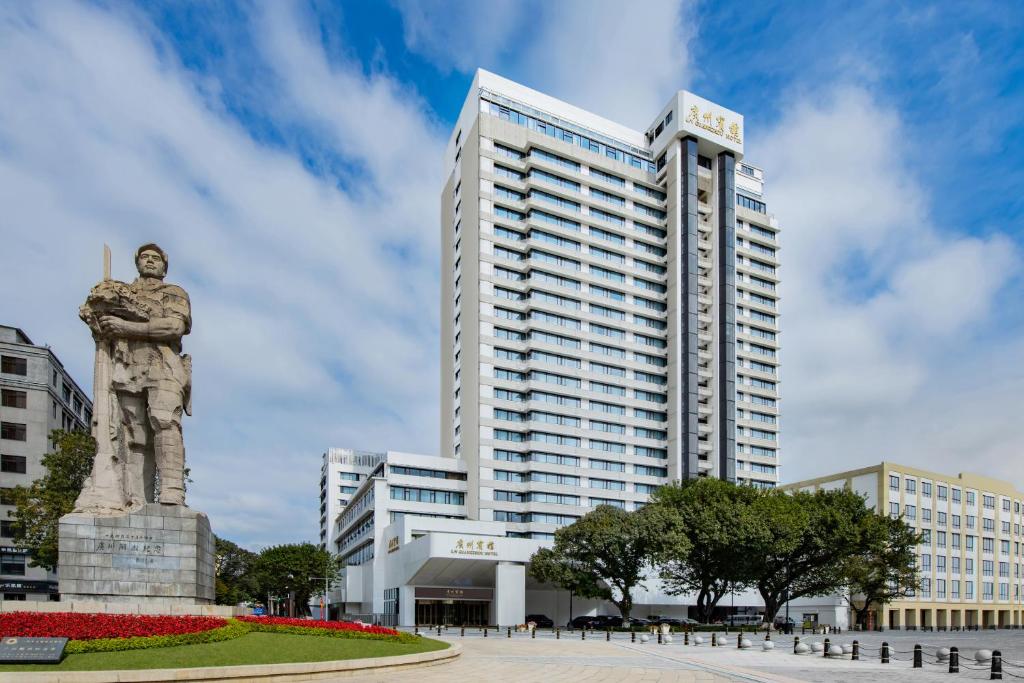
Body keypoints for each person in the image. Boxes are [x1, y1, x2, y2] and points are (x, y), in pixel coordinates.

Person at [95, 243, 191, 505]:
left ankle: (172, 489)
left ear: (164, 265)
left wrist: (125, 326)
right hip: (128, 367)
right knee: (133, 434)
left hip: (163, 366)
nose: (150, 261)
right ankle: (136, 498)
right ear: (137, 263)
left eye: (156, 258)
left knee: (165, 422)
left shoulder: (174, 293)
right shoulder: (122, 292)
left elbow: (174, 327)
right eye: (145, 257)